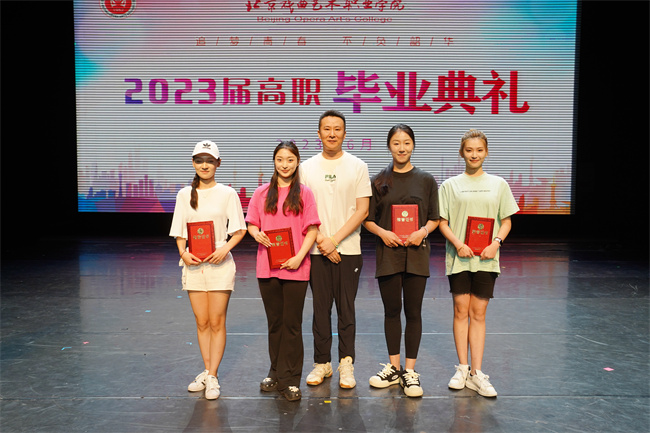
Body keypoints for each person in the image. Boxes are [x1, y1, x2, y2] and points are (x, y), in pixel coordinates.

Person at [438, 129, 519, 398]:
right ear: (462, 153)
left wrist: (496, 243)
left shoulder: (499, 184)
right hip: (459, 257)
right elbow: (443, 222)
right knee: (461, 311)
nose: (474, 155)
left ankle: (476, 373)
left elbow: (506, 220)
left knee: (479, 313)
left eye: (479, 150)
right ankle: (462, 368)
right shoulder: (450, 185)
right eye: (469, 150)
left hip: (487, 257)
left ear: (486, 152)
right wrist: (458, 243)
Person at [363, 124, 440, 398]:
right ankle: (394, 369)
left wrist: (423, 232)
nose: (402, 148)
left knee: (414, 312)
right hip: (389, 254)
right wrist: (383, 233)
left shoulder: (426, 180)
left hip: (417, 254)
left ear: (413, 145)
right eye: (396, 143)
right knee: (392, 311)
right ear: (389, 146)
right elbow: (368, 220)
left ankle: (410, 372)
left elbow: (434, 218)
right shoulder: (378, 181)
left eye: (406, 142)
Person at [299, 109, 372, 389]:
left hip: (348, 250)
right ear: (318, 133)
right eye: (327, 129)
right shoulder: (306, 168)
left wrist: (335, 240)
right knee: (320, 310)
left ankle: (346, 363)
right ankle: (322, 363)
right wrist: (322, 241)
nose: (332, 134)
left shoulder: (358, 166)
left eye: (337, 129)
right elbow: (302, 210)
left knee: (346, 310)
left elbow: (362, 210)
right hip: (316, 250)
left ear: (344, 133)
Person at [169, 140, 247, 400]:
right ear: (193, 163)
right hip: (193, 265)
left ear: (218, 164)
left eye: (209, 161)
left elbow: (240, 230)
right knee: (202, 322)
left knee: (217, 321)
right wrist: (183, 253)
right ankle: (206, 370)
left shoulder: (227, 193)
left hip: (219, 264)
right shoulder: (184, 195)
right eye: (200, 160)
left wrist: (224, 249)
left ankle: (213, 375)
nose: (204, 165)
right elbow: (180, 232)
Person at [245, 141, 321, 401]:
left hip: (296, 267)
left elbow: (312, 229)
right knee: (275, 323)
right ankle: (275, 371)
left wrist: (299, 257)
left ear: (297, 162)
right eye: (280, 159)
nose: (285, 164)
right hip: (267, 268)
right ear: (274, 161)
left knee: (292, 325)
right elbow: (252, 224)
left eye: (290, 159)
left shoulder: (305, 194)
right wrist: (256, 233)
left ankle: (291, 379)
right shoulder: (261, 193)